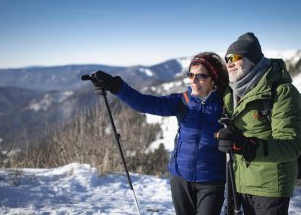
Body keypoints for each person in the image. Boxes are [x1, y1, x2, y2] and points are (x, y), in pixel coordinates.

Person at [88, 52, 229, 215]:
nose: (194, 81)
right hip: (180, 178)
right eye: (191, 75)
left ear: (213, 79)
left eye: (201, 76)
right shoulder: (183, 101)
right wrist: (114, 85)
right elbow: (144, 103)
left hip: (211, 181)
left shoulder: (226, 106)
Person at [215, 32, 301, 215]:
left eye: (236, 57)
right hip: (239, 182)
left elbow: (292, 145)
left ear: (253, 60)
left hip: (271, 186)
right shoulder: (230, 93)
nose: (230, 63)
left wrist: (247, 146)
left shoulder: (281, 91)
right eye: (227, 58)